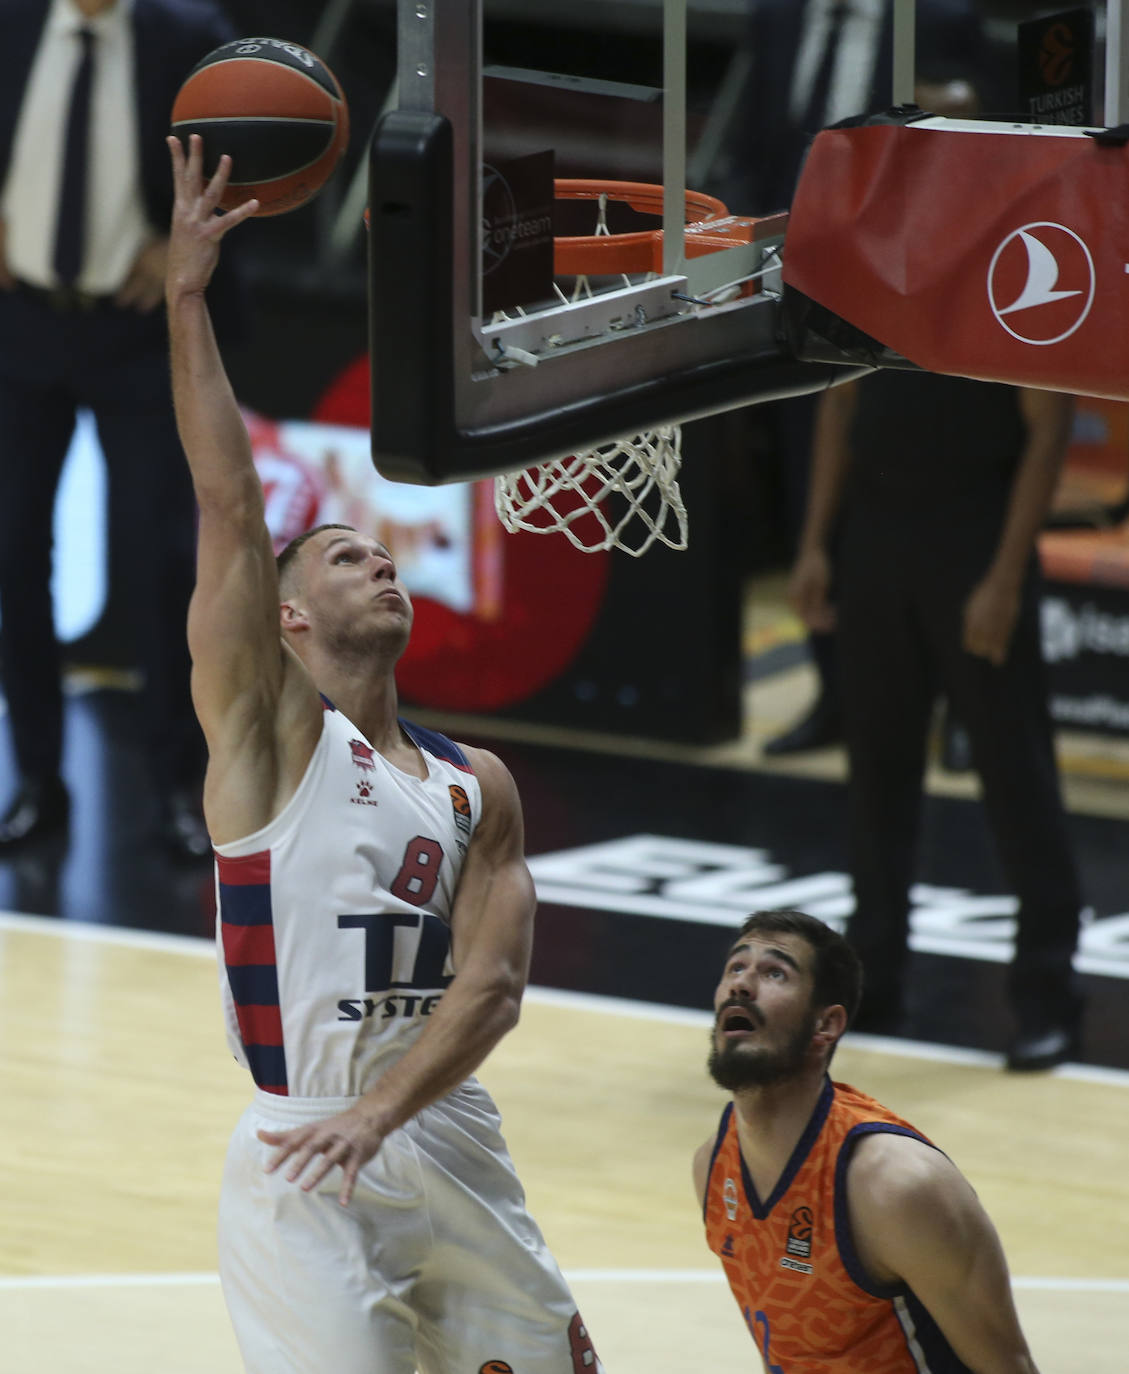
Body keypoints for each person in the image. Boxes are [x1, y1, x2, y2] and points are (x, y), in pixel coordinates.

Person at [164, 135, 603, 1374]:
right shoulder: (266, 739)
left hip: (445, 1133)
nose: (380, 559)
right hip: (305, 1150)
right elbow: (228, 510)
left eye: (386, 550)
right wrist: (188, 297)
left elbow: (496, 990)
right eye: (344, 553)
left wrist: (388, 1113)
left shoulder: (479, 786)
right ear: (289, 616)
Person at [0, 0, 243, 858]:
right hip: (20, 321)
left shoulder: (190, 38)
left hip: (140, 335)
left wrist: (178, 246)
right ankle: (34, 781)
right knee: (13, 555)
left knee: (160, 561)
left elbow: (248, 161)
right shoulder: (14, 21)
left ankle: (175, 791)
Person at [788, 371, 1084, 1070]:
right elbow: (839, 405)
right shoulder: (877, 276)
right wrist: (815, 543)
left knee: (1016, 776)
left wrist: (1006, 578)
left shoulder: (1003, 275)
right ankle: (873, 981)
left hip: (975, 537)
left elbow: (1048, 430)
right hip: (874, 532)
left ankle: (1048, 997)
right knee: (877, 773)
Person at [718, 0, 984, 757]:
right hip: (796, 293)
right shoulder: (777, 17)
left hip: (910, 294)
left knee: (932, 496)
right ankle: (837, 694)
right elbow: (751, 149)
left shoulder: (939, 18)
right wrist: (740, 257)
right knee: (811, 492)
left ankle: (961, 706)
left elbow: (978, 140)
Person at [694, 909, 1042, 1373]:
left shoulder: (897, 1186)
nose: (742, 984)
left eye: (775, 972)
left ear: (826, 1026)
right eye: (736, 968)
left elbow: (1008, 1367)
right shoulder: (714, 1170)